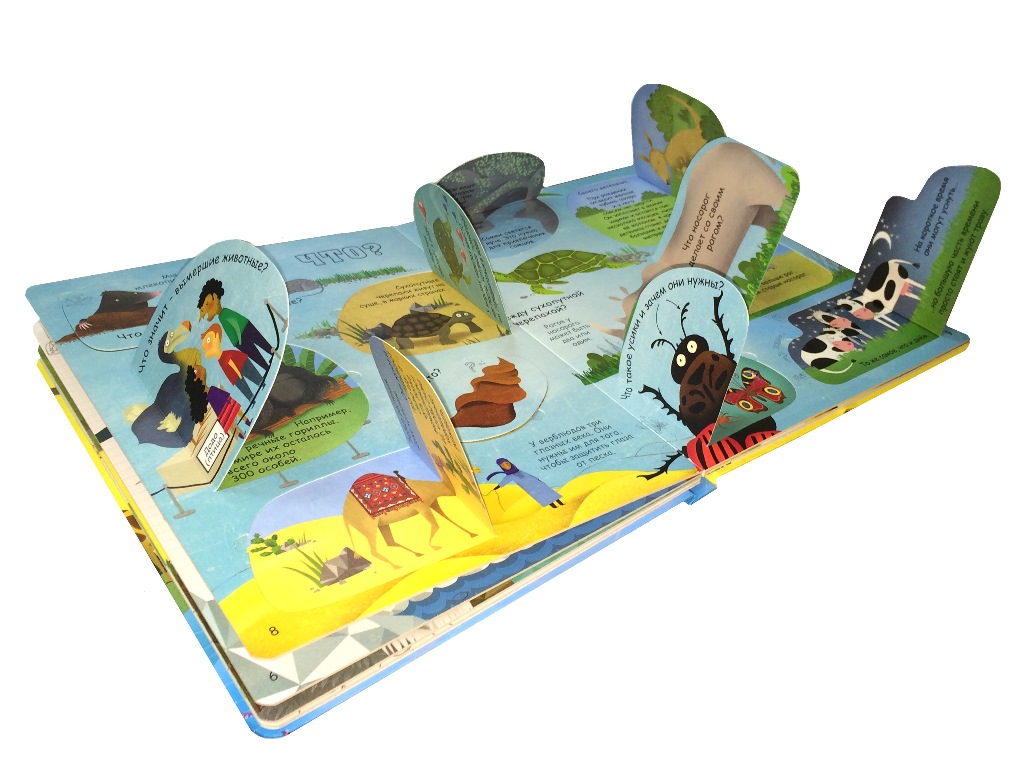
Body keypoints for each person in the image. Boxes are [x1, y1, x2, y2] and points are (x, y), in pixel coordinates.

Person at [197, 278, 274, 371]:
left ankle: (271, 353)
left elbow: (234, 322)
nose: (207, 310)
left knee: (260, 344)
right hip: (239, 339)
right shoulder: (221, 317)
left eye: (207, 304)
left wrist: (239, 338)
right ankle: (266, 366)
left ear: (215, 296)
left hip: (243, 332)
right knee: (255, 355)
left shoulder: (224, 313)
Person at [200, 323, 262, 402]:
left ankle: (259, 383)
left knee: (252, 375)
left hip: (241, 364)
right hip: (234, 375)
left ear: (217, 337)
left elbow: (231, 363)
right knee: (242, 385)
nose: (203, 346)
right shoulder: (220, 361)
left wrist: (238, 373)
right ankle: (251, 397)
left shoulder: (225, 356)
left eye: (208, 340)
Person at [486, 457, 564, 508]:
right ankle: (555, 507)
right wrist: (497, 487)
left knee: (549, 493)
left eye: (507, 463)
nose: (506, 465)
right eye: (503, 465)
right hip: (531, 489)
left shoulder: (518, 471)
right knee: (543, 497)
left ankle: (561, 503)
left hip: (538, 484)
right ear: (501, 467)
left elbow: (529, 476)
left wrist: (538, 480)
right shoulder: (510, 476)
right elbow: (503, 482)